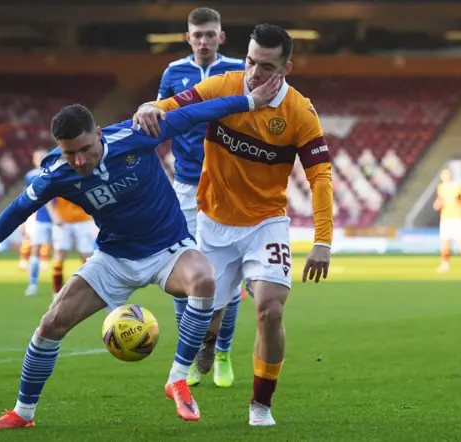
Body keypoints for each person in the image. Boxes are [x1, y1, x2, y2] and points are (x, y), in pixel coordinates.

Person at [0, 83, 280, 429]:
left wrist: (252, 100)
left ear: (98, 134)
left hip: (169, 250)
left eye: (85, 149)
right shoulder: (57, 173)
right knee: (51, 323)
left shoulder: (136, 135)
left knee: (205, 278)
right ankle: (22, 413)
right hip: (115, 258)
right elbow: (17, 210)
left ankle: (177, 379)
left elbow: (198, 112)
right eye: (70, 153)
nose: (79, 161)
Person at [133, 23, 333, 426]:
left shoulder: (299, 112)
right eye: (250, 61)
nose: (254, 73)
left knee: (270, 310)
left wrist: (323, 240)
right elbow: (173, 106)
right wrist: (148, 107)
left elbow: (320, 176)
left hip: (266, 223)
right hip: (214, 224)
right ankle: (208, 346)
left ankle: (261, 406)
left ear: (286, 68)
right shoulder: (224, 86)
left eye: (266, 67)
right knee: (209, 325)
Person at [156, 6, 246, 389]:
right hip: (187, 186)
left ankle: (222, 350)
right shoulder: (173, 74)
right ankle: (189, 354)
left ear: (221, 36)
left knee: (226, 273)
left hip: (228, 186)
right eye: (198, 35)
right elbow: (156, 122)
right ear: (188, 38)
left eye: (211, 34)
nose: (205, 41)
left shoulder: (239, 70)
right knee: (184, 272)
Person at [49, 197, 96, 296]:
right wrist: (53, 215)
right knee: (59, 255)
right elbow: (47, 197)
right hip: (62, 221)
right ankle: (56, 294)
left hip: (84, 221)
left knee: (87, 258)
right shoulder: (57, 181)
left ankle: (89, 292)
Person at [24, 148, 54, 296]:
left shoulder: (56, 172)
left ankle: (57, 287)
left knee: (58, 253)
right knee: (35, 249)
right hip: (40, 219)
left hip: (58, 220)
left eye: (43, 156)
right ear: (34, 160)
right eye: (38, 157)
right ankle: (33, 284)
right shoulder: (31, 176)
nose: (40, 160)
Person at [433, 168, 461, 273]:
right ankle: (445, 263)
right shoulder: (441, 188)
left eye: (446, 174)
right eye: (443, 174)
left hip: (457, 217)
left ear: (450, 175)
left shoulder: (458, 186)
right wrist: (437, 204)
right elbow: (440, 200)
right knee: (445, 241)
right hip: (445, 218)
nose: (444, 176)